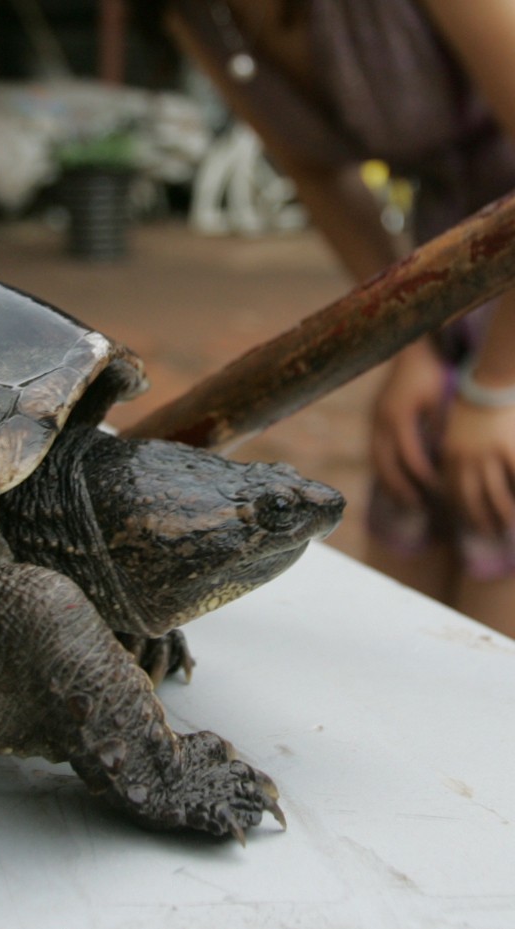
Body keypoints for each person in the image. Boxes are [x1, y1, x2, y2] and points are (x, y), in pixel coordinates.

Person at [162, 0, 515, 636]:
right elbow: (321, 175)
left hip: (502, 295)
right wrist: (409, 349)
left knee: (496, 517)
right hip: (446, 271)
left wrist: (495, 390)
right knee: (412, 494)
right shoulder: (202, 15)